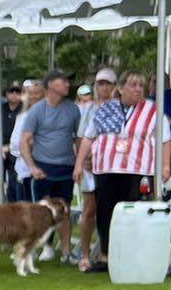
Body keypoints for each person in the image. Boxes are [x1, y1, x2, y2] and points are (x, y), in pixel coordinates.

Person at [79, 70, 170, 262]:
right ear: (120, 88)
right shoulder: (105, 109)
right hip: (106, 168)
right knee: (105, 212)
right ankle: (105, 254)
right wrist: (78, 164)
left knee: (135, 212)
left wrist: (165, 166)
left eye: (141, 86)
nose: (138, 89)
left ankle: (132, 255)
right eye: (133, 85)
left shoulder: (153, 110)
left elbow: (165, 140)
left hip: (138, 170)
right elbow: (88, 137)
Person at [19, 69, 80, 260]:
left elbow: (79, 138)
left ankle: (66, 253)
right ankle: (40, 247)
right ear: (51, 85)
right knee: (42, 212)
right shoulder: (37, 111)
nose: (68, 85)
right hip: (43, 167)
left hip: (66, 167)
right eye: (63, 81)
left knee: (65, 210)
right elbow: (24, 141)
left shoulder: (73, 109)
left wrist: (79, 163)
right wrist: (31, 167)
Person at [73, 68, 119, 270]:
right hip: (91, 166)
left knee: (110, 210)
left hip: (112, 166)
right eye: (101, 84)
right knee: (89, 210)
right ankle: (84, 255)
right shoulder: (89, 109)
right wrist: (84, 160)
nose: (104, 88)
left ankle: (107, 253)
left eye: (108, 84)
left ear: (115, 86)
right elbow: (81, 137)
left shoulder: (121, 108)